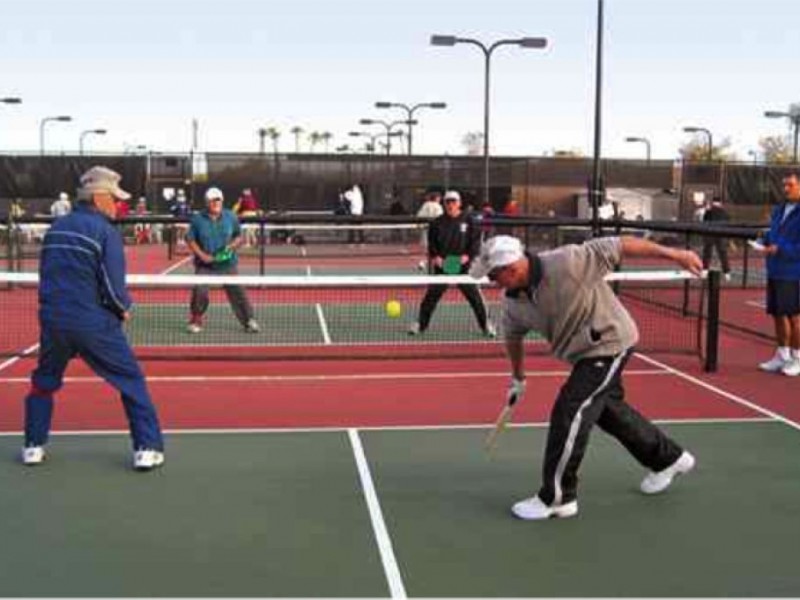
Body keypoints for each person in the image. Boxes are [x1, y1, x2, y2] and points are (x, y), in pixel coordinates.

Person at [470, 234, 702, 520]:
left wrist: (677, 254)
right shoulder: (513, 303)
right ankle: (668, 459)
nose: (491, 281)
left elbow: (622, 244)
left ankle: (558, 498)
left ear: (512, 268)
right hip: (582, 354)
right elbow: (512, 337)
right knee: (606, 411)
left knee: (570, 410)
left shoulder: (569, 261)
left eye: (493, 275)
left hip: (611, 341)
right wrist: (518, 377)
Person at [21, 166, 165, 471]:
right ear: (99, 198)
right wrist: (123, 308)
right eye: (114, 198)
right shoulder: (105, 232)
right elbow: (113, 286)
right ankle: (147, 448)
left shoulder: (56, 229)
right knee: (131, 381)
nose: (118, 204)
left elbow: (46, 275)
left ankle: (33, 445)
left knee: (43, 382)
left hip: (53, 321)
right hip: (92, 323)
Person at [408, 190, 495, 337]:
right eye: (448, 202)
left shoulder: (469, 221)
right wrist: (436, 257)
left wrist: (467, 256)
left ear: (459, 203)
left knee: (475, 298)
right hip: (443, 266)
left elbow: (475, 242)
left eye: (453, 201)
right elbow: (432, 244)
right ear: (444, 204)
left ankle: (486, 325)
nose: (451, 204)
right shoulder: (437, 223)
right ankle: (420, 325)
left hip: (464, 268)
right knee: (431, 297)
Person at [186, 186, 260, 334]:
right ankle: (196, 319)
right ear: (207, 202)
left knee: (237, 291)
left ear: (222, 201)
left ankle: (248, 320)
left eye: (218, 200)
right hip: (205, 265)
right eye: (212, 201)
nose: (216, 203)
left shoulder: (231, 217)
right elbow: (190, 239)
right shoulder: (197, 219)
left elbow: (238, 236)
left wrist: (230, 247)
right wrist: (202, 255)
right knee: (200, 291)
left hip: (227, 263)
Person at [756, 171, 800, 377]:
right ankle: (782, 355)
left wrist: (780, 248)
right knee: (778, 314)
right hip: (775, 270)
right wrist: (764, 240)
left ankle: (797, 358)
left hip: (794, 273)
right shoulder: (779, 209)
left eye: (790, 185)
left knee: (795, 317)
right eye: (784, 185)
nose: (785, 189)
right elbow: (774, 234)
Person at [701, 196, 731, 281]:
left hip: (711, 234)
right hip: (720, 235)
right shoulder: (724, 212)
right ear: (720, 203)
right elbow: (728, 223)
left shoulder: (709, 211)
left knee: (707, 253)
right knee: (722, 254)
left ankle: (705, 270)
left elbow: (704, 221)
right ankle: (727, 273)